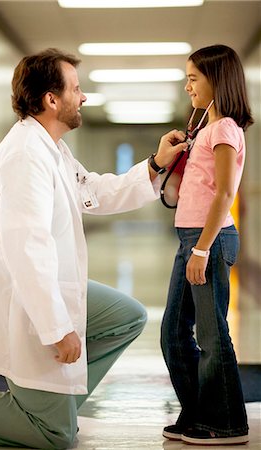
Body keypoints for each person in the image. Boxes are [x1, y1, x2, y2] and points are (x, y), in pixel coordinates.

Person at [0, 48, 187, 449]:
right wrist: (56, 327)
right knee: (54, 437)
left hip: (48, 279)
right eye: (77, 89)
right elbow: (26, 247)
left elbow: (94, 191)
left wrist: (155, 165)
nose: (82, 97)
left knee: (128, 316)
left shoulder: (51, 148)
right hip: (21, 288)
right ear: (51, 99)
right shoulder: (25, 154)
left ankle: (56, 406)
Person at [161, 44, 254, 446]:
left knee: (213, 336)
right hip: (192, 237)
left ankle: (229, 422)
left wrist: (201, 249)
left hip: (208, 239)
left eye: (193, 78)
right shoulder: (204, 129)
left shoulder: (225, 129)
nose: (187, 87)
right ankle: (199, 412)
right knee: (173, 333)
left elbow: (224, 194)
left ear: (216, 80)